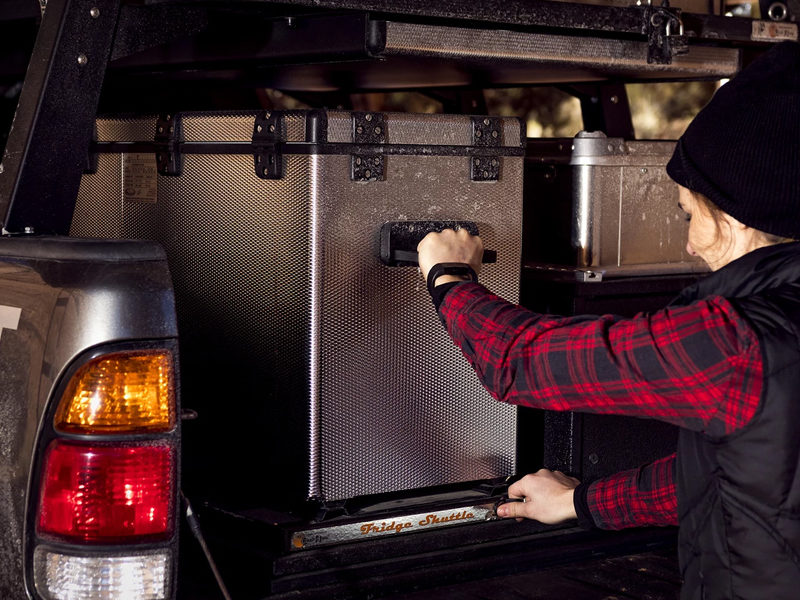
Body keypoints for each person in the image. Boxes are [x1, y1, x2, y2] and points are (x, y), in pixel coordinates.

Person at [416, 40, 800, 600]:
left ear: (737, 219)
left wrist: (449, 276)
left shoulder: (735, 341)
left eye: (688, 215)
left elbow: (519, 360)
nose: (690, 246)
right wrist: (579, 501)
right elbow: (735, 480)